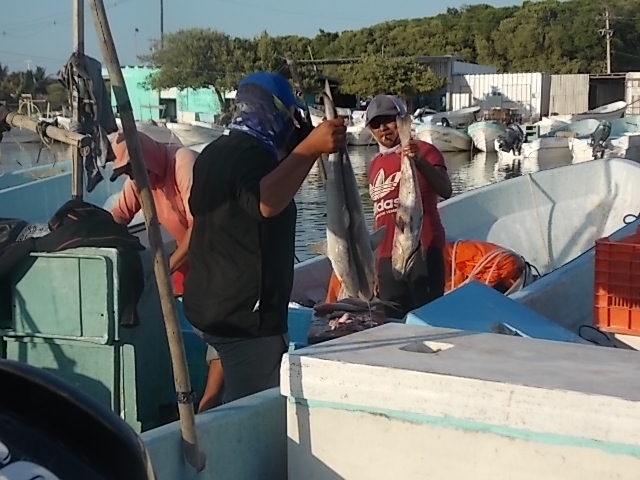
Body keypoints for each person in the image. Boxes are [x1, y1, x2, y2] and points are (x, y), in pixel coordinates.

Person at [183, 71, 346, 404]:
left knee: (220, 390)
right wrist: (310, 148)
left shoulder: (214, 152)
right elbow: (264, 202)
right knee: (252, 409)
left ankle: (204, 423)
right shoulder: (252, 154)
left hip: (207, 307)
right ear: (274, 111)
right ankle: (224, 452)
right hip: (246, 318)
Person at [108, 132, 225, 410]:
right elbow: (116, 219)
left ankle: (209, 404)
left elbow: (203, 225)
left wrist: (166, 266)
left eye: (131, 169)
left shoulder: (182, 163)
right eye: (125, 172)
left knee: (219, 332)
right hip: (187, 267)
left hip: (218, 257)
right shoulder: (138, 183)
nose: (131, 176)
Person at [365, 94, 452, 318]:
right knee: (392, 321)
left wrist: (419, 161)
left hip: (421, 248)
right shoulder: (374, 165)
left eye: (389, 120)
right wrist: (375, 266)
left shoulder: (425, 150)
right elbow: (379, 217)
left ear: (402, 120)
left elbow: (445, 189)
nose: (383, 128)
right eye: (376, 124)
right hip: (386, 256)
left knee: (427, 319)